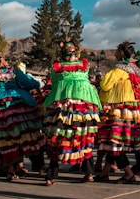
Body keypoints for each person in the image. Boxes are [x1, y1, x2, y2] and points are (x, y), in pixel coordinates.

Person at [0, 53, 45, 181]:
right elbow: (32, 84)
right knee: (24, 137)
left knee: (7, 141)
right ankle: (19, 167)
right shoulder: (13, 71)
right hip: (18, 106)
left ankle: (11, 168)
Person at [42, 40, 102, 185]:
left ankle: (52, 175)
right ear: (76, 53)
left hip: (63, 101)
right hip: (84, 102)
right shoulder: (84, 65)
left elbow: (54, 83)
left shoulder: (57, 67)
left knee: (58, 136)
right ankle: (89, 173)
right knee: (84, 136)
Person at [95, 41, 140, 184]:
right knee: (115, 144)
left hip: (119, 109)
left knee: (114, 143)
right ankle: (104, 173)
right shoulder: (136, 70)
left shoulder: (119, 69)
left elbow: (105, 85)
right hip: (133, 109)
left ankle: (129, 174)